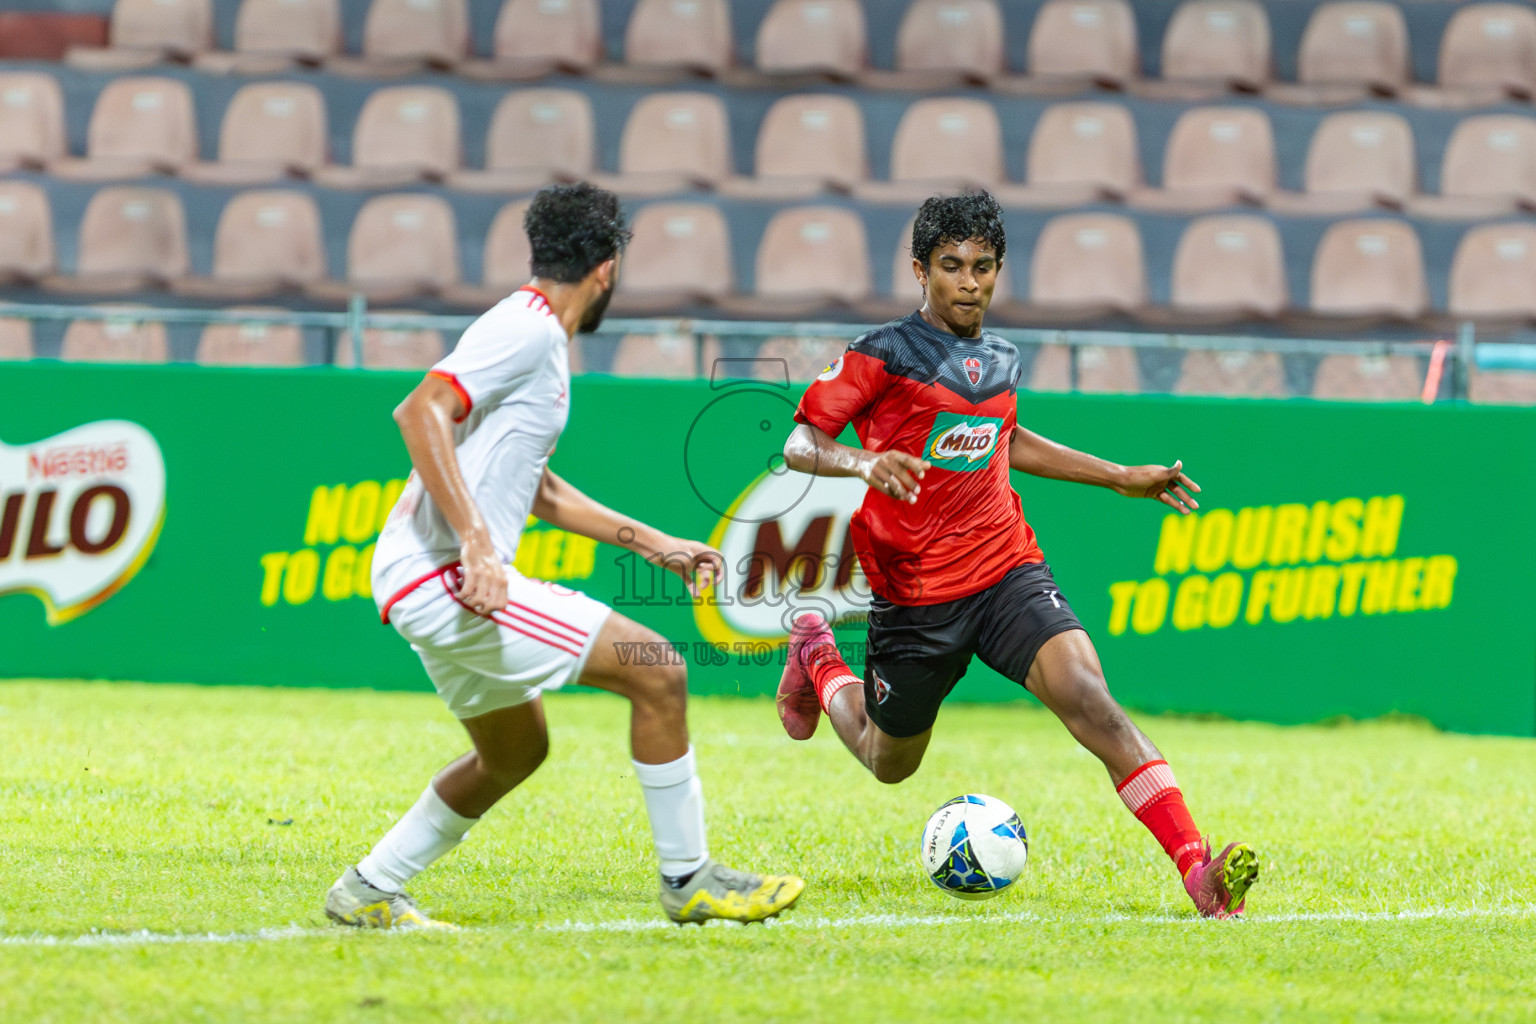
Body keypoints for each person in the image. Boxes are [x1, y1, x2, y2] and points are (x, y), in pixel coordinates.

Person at [325, 183, 803, 929]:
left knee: (515, 751)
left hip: (422, 575)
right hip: (445, 574)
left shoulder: (527, 336)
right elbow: (418, 411)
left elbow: (540, 491)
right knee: (660, 669)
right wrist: (478, 545)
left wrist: (656, 545)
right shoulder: (529, 331)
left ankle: (369, 888)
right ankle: (690, 879)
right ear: (607, 269)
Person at [774, 191, 1257, 919]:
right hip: (915, 595)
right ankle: (817, 652)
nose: (969, 282)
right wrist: (862, 465)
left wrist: (1120, 476)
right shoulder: (883, 354)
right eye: (951, 266)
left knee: (1092, 701)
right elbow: (799, 442)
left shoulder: (999, 357)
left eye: (983, 267)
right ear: (919, 270)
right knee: (887, 762)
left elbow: (1007, 438)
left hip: (1005, 571)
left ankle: (1196, 867)